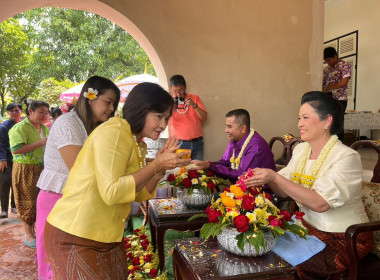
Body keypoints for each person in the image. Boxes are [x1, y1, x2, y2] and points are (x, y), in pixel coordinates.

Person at [44, 82, 191, 278]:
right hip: (75, 236)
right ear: (141, 110)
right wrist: (156, 165)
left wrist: (159, 168)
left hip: (107, 237)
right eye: (158, 116)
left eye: (166, 118)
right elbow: (112, 192)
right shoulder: (114, 131)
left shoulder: (136, 142)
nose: (163, 125)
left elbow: (138, 193)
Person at [247, 91, 373, 279]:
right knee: (259, 243)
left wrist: (275, 177)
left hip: (342, 237)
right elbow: (282, 189)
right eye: (299, 118)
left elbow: (320, 204)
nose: (299, 124)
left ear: (326, 121)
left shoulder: (347, 157)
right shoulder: (301, 150)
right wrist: (263, 178)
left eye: (306, 117)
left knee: (281, 263)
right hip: (305, 227)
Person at [35, 76, 120, 280]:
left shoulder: (94, 126)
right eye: (107, 102)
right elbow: (80, 170)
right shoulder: (68, 123)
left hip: (77, 203)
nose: (111, 108)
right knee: (56, 266)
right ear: (90, 97)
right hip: (56, 201)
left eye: (114, 104)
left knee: (74, 267)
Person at [192, 109, 276, 183]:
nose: (226, 130)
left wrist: (210, 166)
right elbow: (224, 163)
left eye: (229, 127)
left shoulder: (256, 146)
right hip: (241, 187)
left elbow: (241, 175)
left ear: (243, 128)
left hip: (261, 193)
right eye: (226, 126)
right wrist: (206, 164)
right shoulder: (234, 140)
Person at [9, 99, 50, 248]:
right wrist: (40, 142)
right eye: (41, 112)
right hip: (25, 169)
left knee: (39, 202)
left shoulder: (44, 128)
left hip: (41, 169)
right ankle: (29, 234)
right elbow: (16, 149)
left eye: (46, 112)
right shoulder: (20, 128)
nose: (44, 115)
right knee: (27, 202)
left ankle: (36, 232)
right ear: (30, 111)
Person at [168, 74, 207, 160]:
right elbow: (164, 121)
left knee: (197, 171)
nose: (178, 94)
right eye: (175, 91)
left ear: (185, 87)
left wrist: (194, 105)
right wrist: (170, 109)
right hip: (180, 143)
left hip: (197, 142)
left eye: (180, 90)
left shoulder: (194, 98)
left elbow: (204, 118)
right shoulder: (169, 102)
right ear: (171, 89)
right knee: (181, 171)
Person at [322, 47, 352, 141]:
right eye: (326, 61)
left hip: (340, 99)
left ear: (335, 56)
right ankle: (328, 145)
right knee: (327, 122)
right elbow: (322, 85)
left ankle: (339, 146)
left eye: (329, 60)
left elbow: (344, 82)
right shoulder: (326, 70)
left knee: (337, 122)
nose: (328, 63)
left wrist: (329, 88)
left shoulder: (345, 65)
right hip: (327, 98)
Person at [0, 103, 22, 218]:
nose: (15, 113)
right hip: (6, 159)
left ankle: (14, 206)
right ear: (8, 113)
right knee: (4, 183)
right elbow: (1, 144)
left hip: (19, 159)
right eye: (12, 111)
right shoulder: (4, 126)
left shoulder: (23, 126)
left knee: (16, 183)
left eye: (17, 110)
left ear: (21, 112)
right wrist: (2, 159)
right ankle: (4, 210)